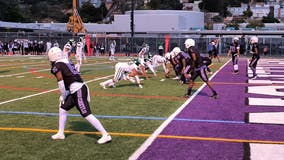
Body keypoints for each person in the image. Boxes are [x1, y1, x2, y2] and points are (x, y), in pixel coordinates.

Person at [47, 47, 111, 144]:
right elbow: (70, 79)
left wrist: (64, 95)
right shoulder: (66, 61)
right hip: (76, 89)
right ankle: (61, 133)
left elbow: (61, 82)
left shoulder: (57, 65)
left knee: (86, 113)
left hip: (78, 90)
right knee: (63, 108)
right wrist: (67, 94)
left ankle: (105, 135)